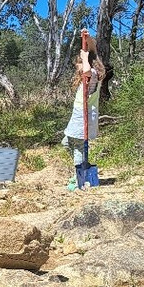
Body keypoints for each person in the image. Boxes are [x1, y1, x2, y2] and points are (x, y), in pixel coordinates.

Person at [63, 29, 105, 189]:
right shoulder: (91, 74)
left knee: (78, 147)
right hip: (80, 117)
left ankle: (79, 178)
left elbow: (87, 69)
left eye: (78, 63)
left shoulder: (92, 73)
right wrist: (87, 39)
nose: (77, 65)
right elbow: (94, 49)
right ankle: (81, 166)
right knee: (66, 142)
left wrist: (85, 57)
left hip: (83, 118)